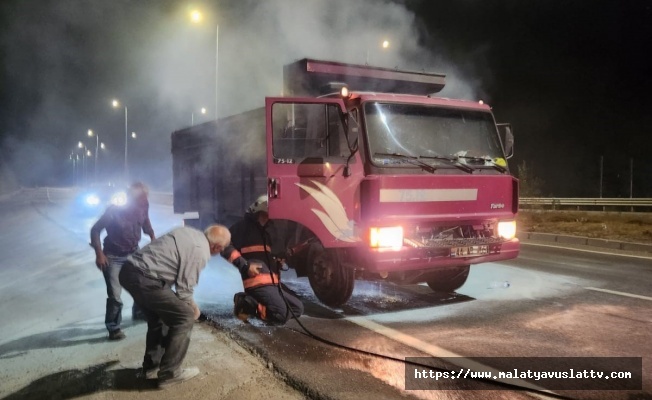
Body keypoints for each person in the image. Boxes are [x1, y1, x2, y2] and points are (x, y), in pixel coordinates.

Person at [119, 224, 231, 388]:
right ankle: (170, 374)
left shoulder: (188, 232)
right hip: (146, 279)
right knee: (184, 317)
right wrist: (194, 309)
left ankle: (151, 367)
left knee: (158, 318)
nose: (219, 252)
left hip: (129, 272)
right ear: (217, 246)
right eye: (221, 249)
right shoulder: (200, 252)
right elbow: (184, 290)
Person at [222, 195, 304, 325]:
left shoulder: (265, 232)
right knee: (280, 315)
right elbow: (223, 245)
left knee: (297, 308)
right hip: (255, 282)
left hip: (272, 282)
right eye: (265, 215)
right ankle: (245, 303)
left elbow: (263, 256)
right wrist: (245, 266)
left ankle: (267, 310)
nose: (267, 218)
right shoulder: (242, 228)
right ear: (257, 213)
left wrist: (276, 262)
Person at [90, 182, 155, 340]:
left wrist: (153, 237)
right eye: (141, 197)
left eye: (145, 197)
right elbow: (95, 230)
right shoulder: (114, 210)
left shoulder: (143, 207)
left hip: (133, 252)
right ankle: (113, 327)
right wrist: (99, 254)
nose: (144, 200)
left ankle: (138, 312)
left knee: (140, 285)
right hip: (113, 255)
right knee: (115, 294)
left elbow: (146, 223)